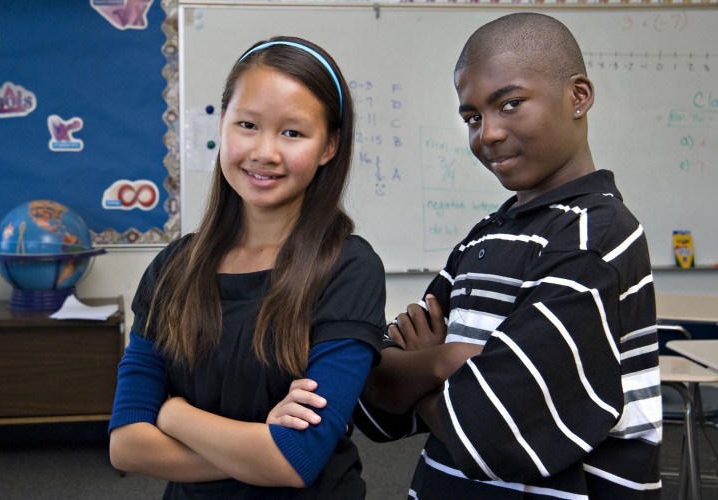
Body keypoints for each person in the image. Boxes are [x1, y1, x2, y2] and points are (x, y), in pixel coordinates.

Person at [352, 12, 662, 498]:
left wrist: (428, 367)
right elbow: (374, 393)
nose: (488, 134)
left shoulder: (594, 234)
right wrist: (453, 362)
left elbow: (499, 427)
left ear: (578, 97)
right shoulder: (484, 238)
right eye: (473, 117)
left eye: (511, 104)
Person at [108, 35, 387, 499]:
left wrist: (174, 415)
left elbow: (295, 460)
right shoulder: (173, 268)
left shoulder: (348, 268)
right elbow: (126, 445)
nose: (265, 152)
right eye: (248, 125)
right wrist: (260, 444)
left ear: (329, 146)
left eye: (293, 133)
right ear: (222, 125)